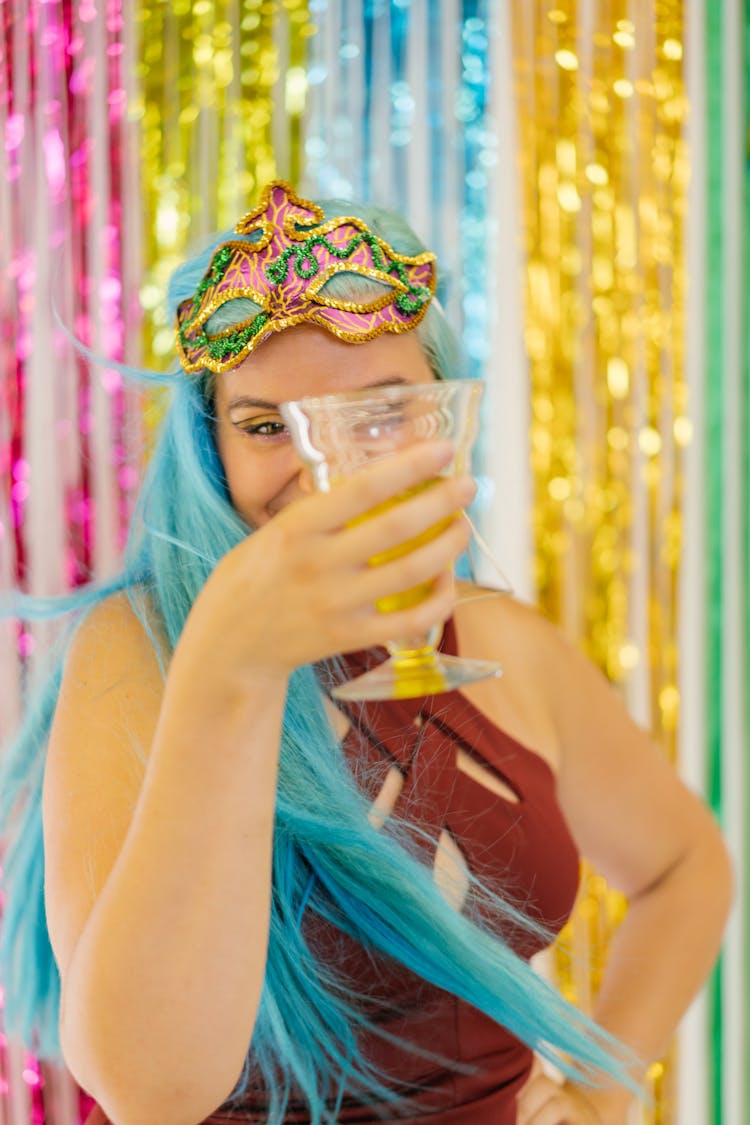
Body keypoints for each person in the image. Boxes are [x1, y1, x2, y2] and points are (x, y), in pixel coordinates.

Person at [0, 180, 731, 1125]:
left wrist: (599, 1093)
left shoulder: (502, 640)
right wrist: (233, 661)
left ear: (441, 420)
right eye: (268, 425)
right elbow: (153, 1091)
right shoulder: (137, 654)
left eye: (379, 413)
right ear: (211, 447)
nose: (323, 469)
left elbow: (687, 868)